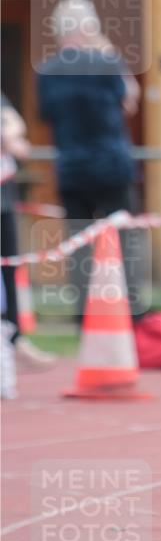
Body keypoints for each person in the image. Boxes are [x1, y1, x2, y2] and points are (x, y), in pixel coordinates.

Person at [37, 0, 141, 322]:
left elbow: (46, 115)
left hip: (71, 168)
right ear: (90, 27)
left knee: (79, 245)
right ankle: (129, 309)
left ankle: (84, 313)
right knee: (122, 241)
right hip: (111, 165)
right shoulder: (107, 63)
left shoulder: (48, 70)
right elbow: (129, 101)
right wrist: (109, 53)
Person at [0, 93, 57, 371]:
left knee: (9, 272)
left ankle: (14, 341)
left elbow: (14, 126)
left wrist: (11, 134)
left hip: (3, 200)